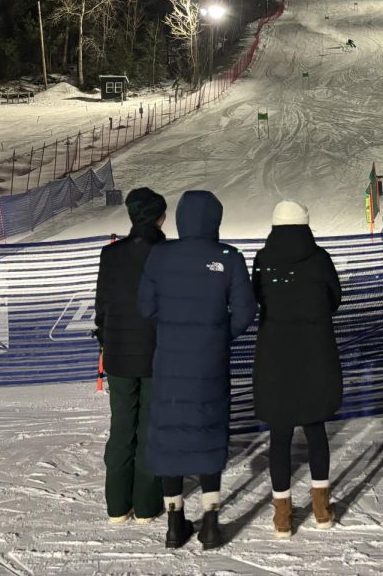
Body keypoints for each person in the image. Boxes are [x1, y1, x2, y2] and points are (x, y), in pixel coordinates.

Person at [138, 190, 257, 551]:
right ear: (215, 220)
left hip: (170, 361)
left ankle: (175, 524)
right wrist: (218, 334)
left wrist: (173, 327)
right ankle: (210, 523)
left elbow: (145, 307)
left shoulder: (160, 255)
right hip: (210, 361)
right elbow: (246, 310)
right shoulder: (228, 258)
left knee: (170, 434)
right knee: (208, 432)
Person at [251, 200, 342, 538]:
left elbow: (256, 295)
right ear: (306, 224)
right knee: (315, 428)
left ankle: (282, 516)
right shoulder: (320, 259)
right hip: (314, 352)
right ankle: (321, 509)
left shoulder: (263, 258)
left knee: (280, 435)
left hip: (275, 355)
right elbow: (335, 298)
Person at [94, 187, 166, 525]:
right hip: (157, 355)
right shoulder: (168, 252)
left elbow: (102, 308)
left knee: (122, 425)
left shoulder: (111, 255)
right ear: (158, 217)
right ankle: (147, 505)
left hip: (120, 355)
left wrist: (105, 341)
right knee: (150, 428)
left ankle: (117, 505)